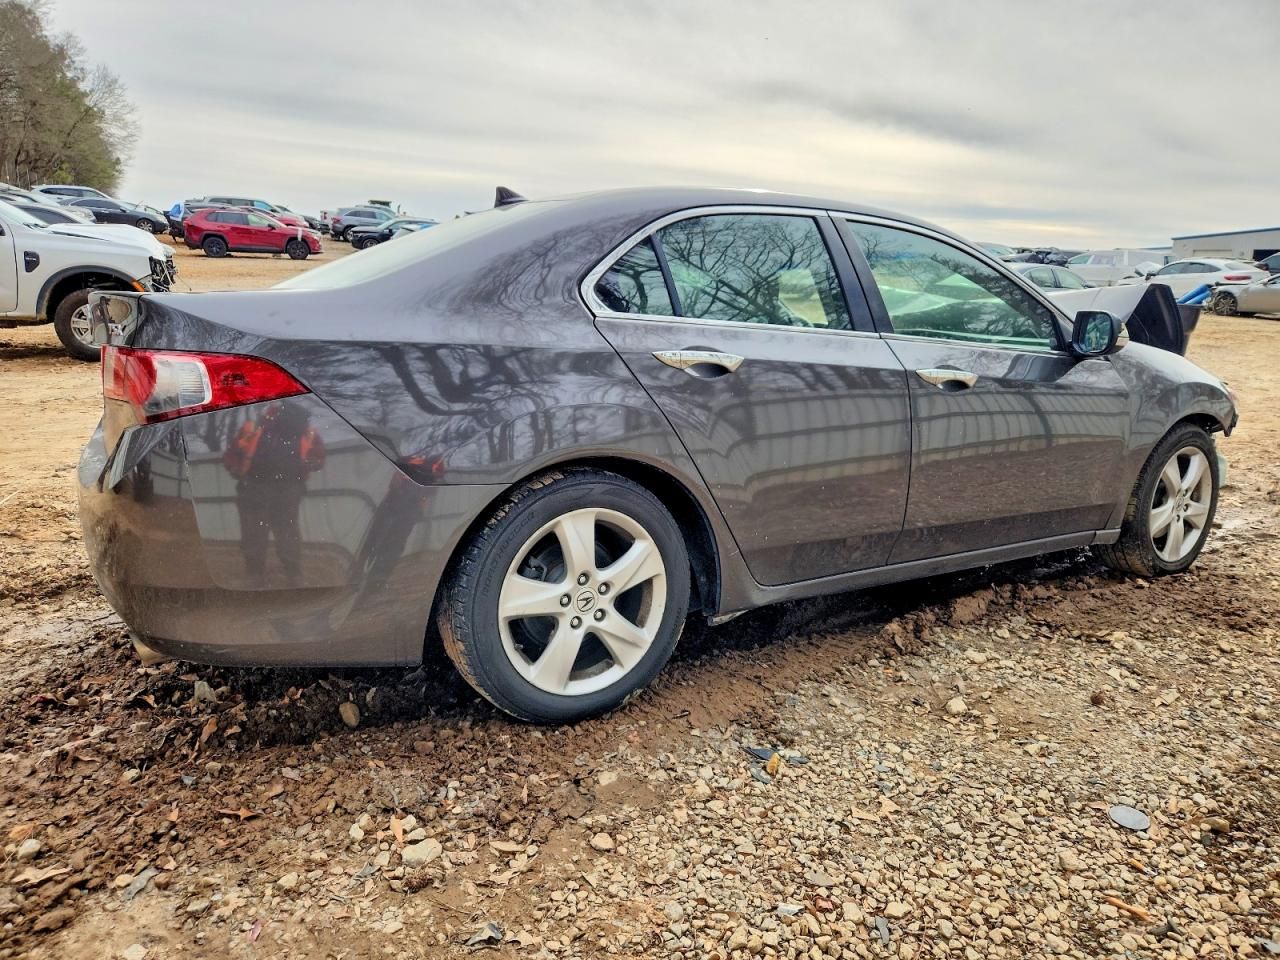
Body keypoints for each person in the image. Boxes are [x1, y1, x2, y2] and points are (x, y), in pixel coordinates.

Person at [223, 402, 325, 584]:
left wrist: (234, 468)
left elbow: (231, 455)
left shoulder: (253, 427)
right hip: (282, 487)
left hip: (260, 485)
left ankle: (259, 574)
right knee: (284, 529)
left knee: (256, 529)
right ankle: (292, 574)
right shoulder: (306, 431)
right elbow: (318, 459)